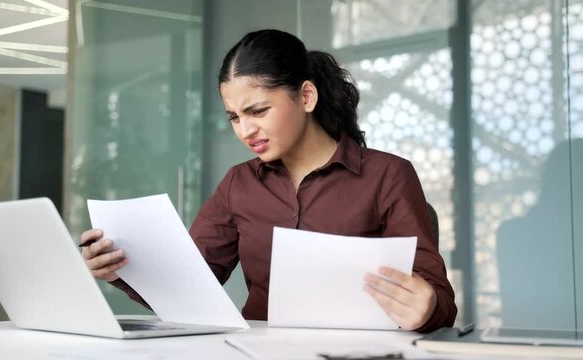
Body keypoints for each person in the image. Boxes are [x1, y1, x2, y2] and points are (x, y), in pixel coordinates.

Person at [81, 29, 457, 333]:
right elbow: (190, 286)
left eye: (258, 110)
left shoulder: (387, 175)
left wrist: (426, 307)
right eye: (233, 117)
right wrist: (121, 271)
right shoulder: (237, 184)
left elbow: (439, 297)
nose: (245, 130)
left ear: (306, 96)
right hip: (257, 351)